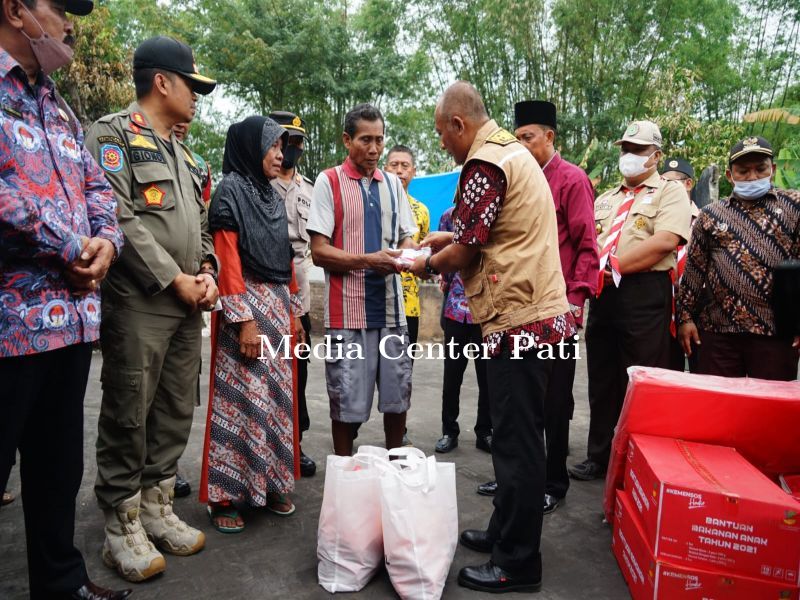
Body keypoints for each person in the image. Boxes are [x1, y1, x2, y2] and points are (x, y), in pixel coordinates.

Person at [409, 81, 576, 594]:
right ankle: (504, 533)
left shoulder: (485, 163)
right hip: (531, 317)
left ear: (459, 124)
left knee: (519, 444)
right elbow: (480, 231)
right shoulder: (508, 152)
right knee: (510, 434)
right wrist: (444, 238)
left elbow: (466, 252)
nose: (443, 145)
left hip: (519, 321)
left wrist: (422, 262)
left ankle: (518, 563)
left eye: (442, 134)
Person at [0, 1, 130, 598]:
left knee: (58, 469)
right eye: (59, 8)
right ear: (15, 9)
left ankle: (61, 585)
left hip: (71, 324)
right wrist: (72, 245)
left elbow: (98, 190)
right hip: (9, 324)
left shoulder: (59, 107)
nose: (69, 24)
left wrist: (105, 242)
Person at [85, 35, 218, 583]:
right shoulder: (112, 134)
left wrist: (206, 270)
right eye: (193, 86)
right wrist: (173, 278)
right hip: (141, 302)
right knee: (129, 409)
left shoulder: (184, 152)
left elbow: (201, 222)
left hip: (189, 303)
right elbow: (116, 216)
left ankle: (158, 506)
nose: (198, 97)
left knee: (174, 408)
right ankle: (121, 526)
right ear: (162, 82)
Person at [476, 101, 598, 514]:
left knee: (553, 401)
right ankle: (515, 481)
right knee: (513, 407)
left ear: (550, 137)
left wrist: (577, 300)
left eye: (529, 137)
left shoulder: (571, 180)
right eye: (518, 138)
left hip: (554, 310)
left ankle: (552, 481)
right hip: (515, 310)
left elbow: (587, 247)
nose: (522, 145)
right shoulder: (512, 173)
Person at [568, 121, 691, 482]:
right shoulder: (606, 198)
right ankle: (599, 456)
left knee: (638, 381)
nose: (630, 157)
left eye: (638, 150)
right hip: (603, 295)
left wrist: (617, 266)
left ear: (656, 155)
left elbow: (666, 240)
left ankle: (636, 461)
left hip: (643, 294)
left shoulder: (671, 192)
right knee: (602, 379)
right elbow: (587, 242)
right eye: (626, 149)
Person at [201, 116, 303, 532]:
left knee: (277, 400)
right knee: (240, 400)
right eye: (272, 146)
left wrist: (295, 313)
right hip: (246, 307)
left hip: (278, 308)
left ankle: (271, 482)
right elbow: (226, 261)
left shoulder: (271, 195)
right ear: (249, 148)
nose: (281, 154)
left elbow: (286, 259)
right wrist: (243, 321)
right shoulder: (229, 193)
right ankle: (227, 496)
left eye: (282, 147)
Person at [307, 103, 417, 457]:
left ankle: (397, 469)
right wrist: (368, 261)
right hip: (347, 315)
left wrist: (405, 255)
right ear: (346, 140)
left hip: (391, 312)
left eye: (379, 140)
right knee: (346, 403)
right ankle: (344, 472)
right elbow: (320, 251)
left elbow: (408, 238)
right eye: (365, 140)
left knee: (397, 398)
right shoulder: (329, 181)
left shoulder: (393, 187)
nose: (373, 149)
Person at [678, 136, 800, 379]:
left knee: (768, 411)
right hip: (717, 331)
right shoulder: (711, 215)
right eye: (743, 171)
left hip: (775, 332)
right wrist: (684, 318)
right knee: (717, 408)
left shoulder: (794, 206)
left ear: (772, 169)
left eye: (760, 169)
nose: (752, 177)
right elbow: (694, 269)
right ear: (729, 175)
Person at [268, 109, 316, 477]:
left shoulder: (310, 190)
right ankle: (267, 447)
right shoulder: (260, 183)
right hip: (267, 291)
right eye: (287, 141)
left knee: (297, 375)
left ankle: (295, 445)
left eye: (298, 142)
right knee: (266, 373)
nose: (293, 149)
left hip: (301, 298)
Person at [434, 206, 491, 455]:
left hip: (486, 311)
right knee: (452, 375)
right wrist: (445, 283)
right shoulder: (448, 216)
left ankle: (485, 432)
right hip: (456, 309)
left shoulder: (492, 214)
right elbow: (443, 256)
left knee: (487, 377)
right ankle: (449, 431)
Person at [385, 144, 429, 448]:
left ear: (413, 171)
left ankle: (399, 431)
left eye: (405, 165)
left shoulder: (421, 211)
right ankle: (352, 425)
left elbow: (423, 255)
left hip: (409, 305)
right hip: (374, 300)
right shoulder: (374, 201)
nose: (399, 171)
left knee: (402, 373)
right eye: (394, 165)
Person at [659, 156, 700, 372]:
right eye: (663, 182)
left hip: (697, 317)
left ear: (688, 184)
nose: (667, 188)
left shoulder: (704, 221)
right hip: (663, 313)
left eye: (673, 182)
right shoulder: (657, 223)